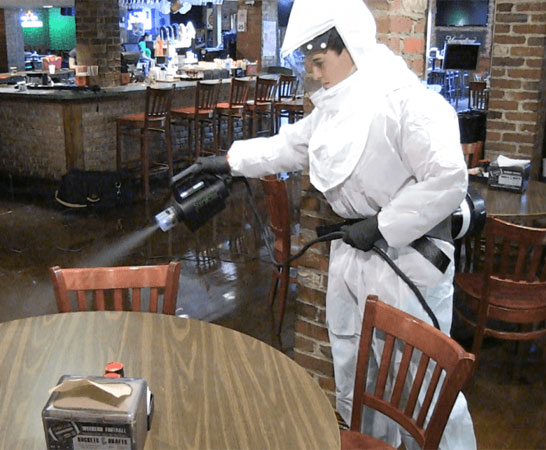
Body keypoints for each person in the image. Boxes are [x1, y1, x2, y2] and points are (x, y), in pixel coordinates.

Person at [195, 0, 477, 448]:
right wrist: (227, 161)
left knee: (421, 381)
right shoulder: (336, 108)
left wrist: (384, 224)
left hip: (408, 258)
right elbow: (287, 146)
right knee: (354, 364)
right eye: (308, 64)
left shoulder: (408, 103)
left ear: (351, 48)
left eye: (319, 62)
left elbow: (447, 179)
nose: (315, 75)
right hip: (354, 252)